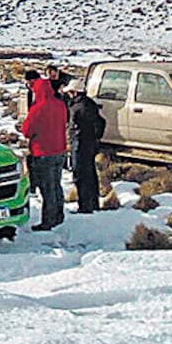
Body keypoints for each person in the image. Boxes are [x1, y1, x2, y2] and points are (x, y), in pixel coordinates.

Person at [21, 78, 68, 231]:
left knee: (47, 188)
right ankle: (58, 215)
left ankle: (48, 220)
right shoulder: (60, 105)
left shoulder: (37, 108)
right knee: (56, 184)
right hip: (59, 150)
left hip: (43, 151)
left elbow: (27, 131)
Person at [62, 79, 106, 213]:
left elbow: (74, 127)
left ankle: (85, 206)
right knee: (91, 174)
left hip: (80, 144)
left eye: (70, 92)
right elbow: (101, 122)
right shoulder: (90, 104)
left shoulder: (77, 108)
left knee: (80, 175)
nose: (68, 95)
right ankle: (93, 203)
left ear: (75, 92)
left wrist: (74, 138)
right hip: (91, 144)